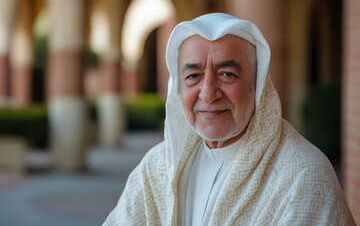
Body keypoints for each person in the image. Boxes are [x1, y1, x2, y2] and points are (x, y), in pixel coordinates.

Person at [103, 13, 355, 225]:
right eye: (193, 76)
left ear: (257, 88)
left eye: (227, 74)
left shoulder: (302, 175)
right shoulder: (157, 167)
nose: (209, 93)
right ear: (178, 89)